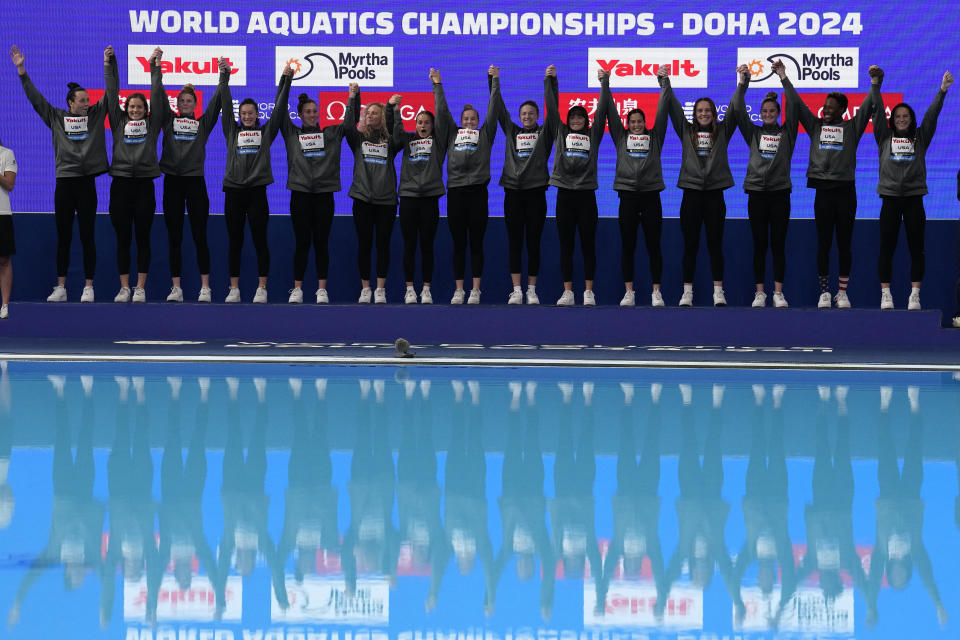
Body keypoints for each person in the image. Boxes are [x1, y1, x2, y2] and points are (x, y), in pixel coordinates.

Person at [10, 45, 108, 303]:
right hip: (64, 183)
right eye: (83, 100)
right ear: (71, 103)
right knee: (64, 236)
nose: (87, 103)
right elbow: (36, 100)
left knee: (87, 235)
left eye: (88, 100)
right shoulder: (55, 117)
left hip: (86, 183)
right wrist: (22, 71)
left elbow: (112, 93)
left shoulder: (95, 117)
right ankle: (61, 287)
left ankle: (89, 286)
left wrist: (110, 66)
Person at [789, 66, 881, 308]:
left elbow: (869, 107)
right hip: (823, 192)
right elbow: (797, 104)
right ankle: (825, 292)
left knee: (844, 243)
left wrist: (874, 82)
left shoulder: (852, 128)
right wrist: (784, 77)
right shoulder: (815, 126)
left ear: (842, 110)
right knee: (824, 243)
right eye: (825, 106)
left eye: (831, 107)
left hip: (846, 193)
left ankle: (842, 293)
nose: (826, 110)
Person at [872, 69, 952, 310]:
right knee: (887, 248)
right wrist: (875, 85)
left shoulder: (920, 137)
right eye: (898, 116)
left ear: (911, 119)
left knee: (917, 249)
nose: (902, 119)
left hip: (914, 199)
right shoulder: (884, 137)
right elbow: (876, 110)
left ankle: (914, 295)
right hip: (890, 199)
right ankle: (886, 295)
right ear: (892, 120)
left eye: (906, 116)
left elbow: (931, 115)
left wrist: (942, 91)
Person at [662, 66, 740, 307]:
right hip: (691, 195)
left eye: (708, 110)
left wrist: (742, 83)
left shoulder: (723, 131)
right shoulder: (686, 131)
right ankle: (688, 292)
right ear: (694, 114)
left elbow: (736, 107)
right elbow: (673, 107)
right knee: (691, 245)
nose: (704, 114)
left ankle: (719, 292)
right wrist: (664, 81)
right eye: (700, 110)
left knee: (715, 244)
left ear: (714, 113)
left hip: (715, 196)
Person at [152, 49, 223, 303]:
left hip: (195, 182)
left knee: (199, 234)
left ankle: (206, 287)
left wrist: (223, 76)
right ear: (176, 104)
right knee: (174, 236)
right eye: (181, 101)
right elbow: (157, 94)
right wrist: (157, 66)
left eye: (189, 101)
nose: (184, 104)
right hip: (172, 181)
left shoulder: (203, 124)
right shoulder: (167, 121)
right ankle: (177, 288)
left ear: (195, 104)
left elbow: (216, 103)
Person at [279, 81, 359, 304]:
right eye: (308, 112)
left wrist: (352, 97)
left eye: (315, 111)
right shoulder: (291, 133)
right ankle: (297, 289)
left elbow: (350, 123)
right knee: (302, 242)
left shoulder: (331, 134)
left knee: (321, 243)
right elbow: (279, 109)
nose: (312, 115)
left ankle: (321, 290)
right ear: (300, 115)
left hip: (325, 195)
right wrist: (285, 82)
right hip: (300, 195)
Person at [219, 59, 290, 303]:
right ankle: (234, 289)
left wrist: (286, 80)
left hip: (257, 193)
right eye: (244, 114)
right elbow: (225, 104)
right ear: (239, 116)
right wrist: (224, 76)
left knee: (260, 240)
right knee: (235, 241)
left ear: (257, 115)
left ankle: (262, 288)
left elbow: (280, 109)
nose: (247, 116)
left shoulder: (265, 133)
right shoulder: (231, 131)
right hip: (233, 193)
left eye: (251, 113)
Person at [733, 60, 801, 308]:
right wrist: (743, 83)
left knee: (778, 245)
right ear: (760, 114)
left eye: (773, 111)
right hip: (757, 194)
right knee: (760, 244)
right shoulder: (753, 133)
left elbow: (794, 104)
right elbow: (738, 109)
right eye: (765, 112)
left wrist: (783, 77)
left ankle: (778, 293)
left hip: (780, 194)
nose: (769, 115)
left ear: (778, 114)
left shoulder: (788, 133)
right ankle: (760, 293)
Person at [603, 66, 669, 307]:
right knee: (628, 246)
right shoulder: (620, 137)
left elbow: (662, 113)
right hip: (628, 197)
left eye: (640, 121)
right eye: (633, 121)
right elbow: (609, 111)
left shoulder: (655, 137)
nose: (637, 124)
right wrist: (606, 84)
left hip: (652, 196)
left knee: (654, 246)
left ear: (645, 122)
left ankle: (656, 292)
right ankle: (629, 292)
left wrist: (664, 83)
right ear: (627, 124)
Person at [434, 66, 501, 304]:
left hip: (478, 194)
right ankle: (459, 290)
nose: (470, 122)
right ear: (461, 121)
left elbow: (493, 110)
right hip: (456, 194)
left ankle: (475, 290)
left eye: (473, 119)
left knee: (476, 243)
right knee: (459, 243)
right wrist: (437, 85)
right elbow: (441, 113)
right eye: (466, 119)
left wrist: (494, 82)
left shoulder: (485, 135)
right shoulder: (452, 134)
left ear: (478, 121)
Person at [495, 65, 560, 305]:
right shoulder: (511, 131)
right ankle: (516, 290)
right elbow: (499, 110)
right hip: (512, 193)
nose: (527, 117)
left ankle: (531, 290)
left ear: (537, 116)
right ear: (519, 116)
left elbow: (554, 111)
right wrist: (493, 80)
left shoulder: (546, 133)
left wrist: (550, 82)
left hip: (536, 194)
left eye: (531, 113)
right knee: (515, 242)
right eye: (523, 113)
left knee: (533, 242)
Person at [104, 46, 163, 303]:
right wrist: (110, 65)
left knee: (142, 237)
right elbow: (111, 93)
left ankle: (140, 287)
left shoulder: (152, 124)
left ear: (146, 110)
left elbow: (157, 95)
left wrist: (155, 67)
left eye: (140, 107)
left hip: (144, 186)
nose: (135, 110)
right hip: (120, 184)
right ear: (125, 108)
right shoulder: (118, 122)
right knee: (122, 238)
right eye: (132, 106)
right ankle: (124, 287)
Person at [550, 69, 609, 306]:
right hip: (564, 195)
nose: (576, 121)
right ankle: (568, 292)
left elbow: (603, 110)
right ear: (567, 120)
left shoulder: (593, 135)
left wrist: (604, 83)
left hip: (586, 196)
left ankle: (588, 292)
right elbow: (551, 108)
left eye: (580, 118)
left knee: (587, 244)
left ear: (586, 121)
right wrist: (552, 81)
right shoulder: (560, 133)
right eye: (572, 117)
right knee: (566, 245)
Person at [392, 77, 448, 304]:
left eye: (426, 122)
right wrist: (395, 110)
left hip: (430, 199)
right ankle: (409, 290)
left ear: (433, 126)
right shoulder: (406, 140)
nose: (423, 125)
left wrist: (437, 86)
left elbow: (443, 114)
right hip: (408, 198)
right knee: (409, 246)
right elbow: (395, 135)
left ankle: (426, 289)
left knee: (426, 245)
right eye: (419, 122)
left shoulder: (439, 141)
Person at [343, 96, 401, 303]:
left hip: (386, 201)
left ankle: (380, 289)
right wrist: (353, 98)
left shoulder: (391, 140)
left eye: (374, 113)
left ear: (382, 117)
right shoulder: (357, 139)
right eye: (367, 113)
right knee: (365, 244)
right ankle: (366, 288)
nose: (370, 116)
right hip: (362, 199)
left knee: (383, 244)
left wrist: (394, 108)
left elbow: (398, 132)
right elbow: (348, 124)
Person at [0, 137, 16, 319]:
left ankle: (4, 305)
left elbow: (9, 184)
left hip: (1, 214)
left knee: (4, 260)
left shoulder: (6, 154)